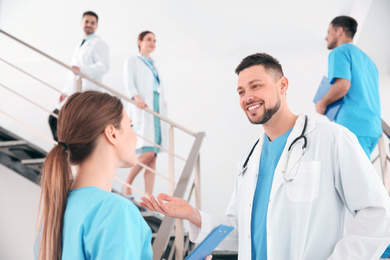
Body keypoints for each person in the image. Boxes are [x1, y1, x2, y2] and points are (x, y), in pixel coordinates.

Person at [140, 53, 390, 259]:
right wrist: (191, 214)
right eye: (240, 91)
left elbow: (377, 213)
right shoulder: (248, 159)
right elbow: (242, 230)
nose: (247, 97)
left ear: (283, 85)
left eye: (255, 86)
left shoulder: (332, 138)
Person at [36, 91, 152, 259]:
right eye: (130, 126)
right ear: (112, 133)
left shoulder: (53, 215)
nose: (135, 137)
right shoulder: (116, 211)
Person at [315, 15, 381, 159]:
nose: (326, 37)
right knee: (361, 174)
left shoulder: (339, 52)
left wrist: (322, 103)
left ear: (339, 31)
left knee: (351, 178)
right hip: (372, 128)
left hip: (353, 125)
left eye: (329, 32)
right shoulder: (369, 62)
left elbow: (343, 85)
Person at [48, 11, 109, 141]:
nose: (89, 25)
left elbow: (103, 66)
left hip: (86, 91)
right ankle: (65, 153)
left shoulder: (98, 43)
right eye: (87, 21)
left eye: (93, 23)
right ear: (81, 23)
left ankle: (66, 153)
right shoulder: (81, 44)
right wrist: (64, 92)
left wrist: (82, 70)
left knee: (57, 119)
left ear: (96, 26)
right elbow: (73, 73)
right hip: (74, 91)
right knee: (56, 119)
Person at [123, 31, 168, 197]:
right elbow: (129, 82)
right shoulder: (132, 61)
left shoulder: (153, 65)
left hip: (156, 109)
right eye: (149, 39)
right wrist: (135, 97)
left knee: (153, 156)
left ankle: (148, 195)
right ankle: (126, 184)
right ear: (139, 41)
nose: (152, 43)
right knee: (147, 152)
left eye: (154, 40)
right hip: (143, 107)